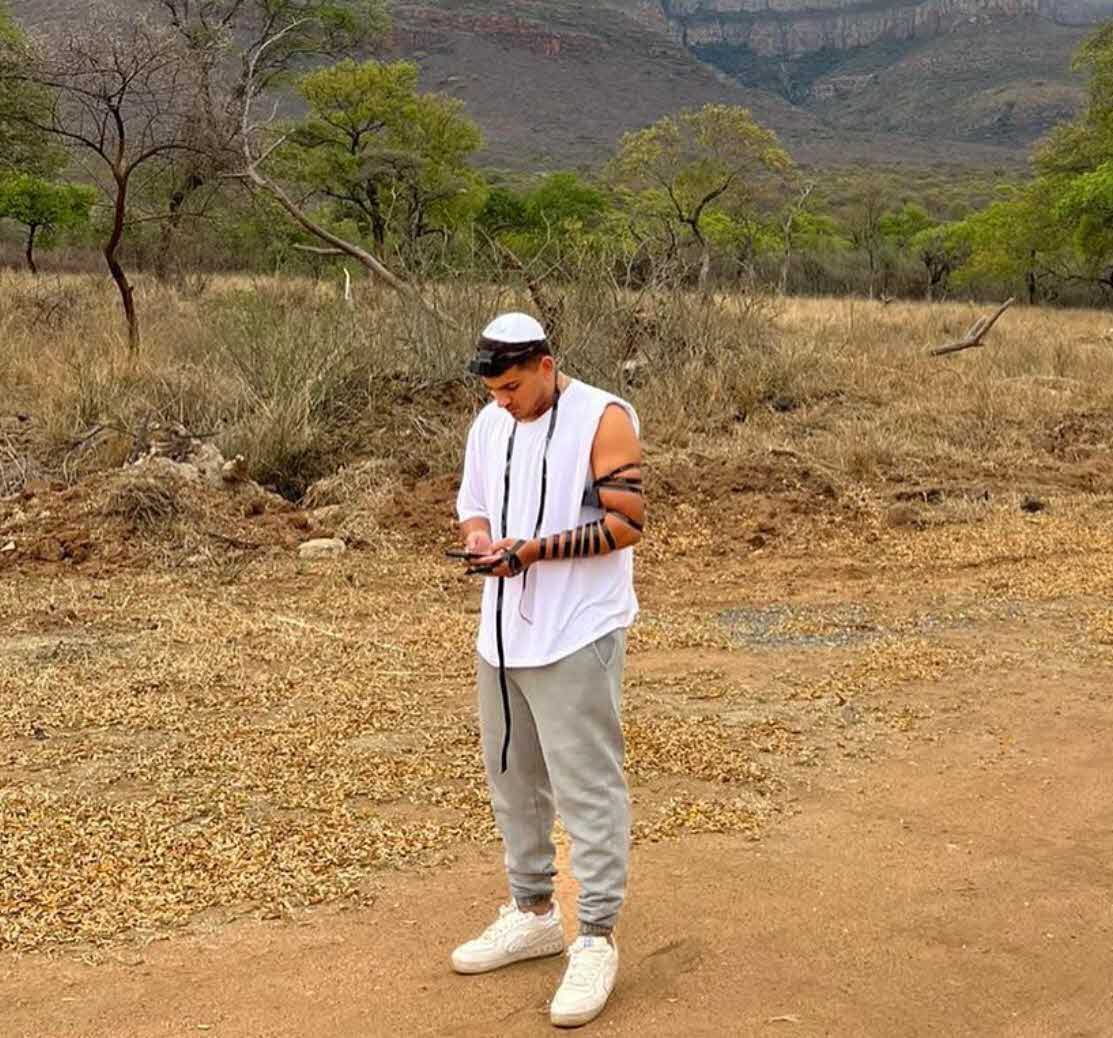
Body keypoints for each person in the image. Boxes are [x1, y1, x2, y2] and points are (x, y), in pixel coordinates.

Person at [450, 312, 645, 1028]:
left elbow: (625, 523)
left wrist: (529, 552)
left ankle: (595, 935)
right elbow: (473, 506)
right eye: (493, 391)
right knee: (512, 777)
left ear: (545, 366)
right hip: (502, 636)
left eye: (512, 388)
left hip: (577, 630)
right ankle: (533, 913)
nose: (503, 401)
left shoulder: (604, 417)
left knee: (587, 786)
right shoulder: (489, 423)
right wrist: (480, 540)